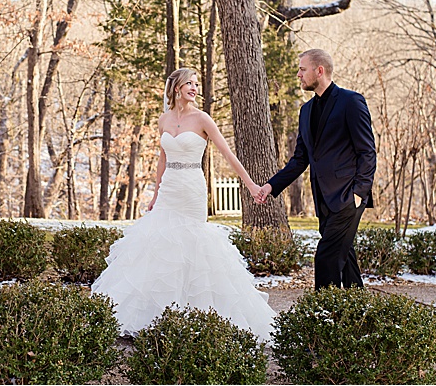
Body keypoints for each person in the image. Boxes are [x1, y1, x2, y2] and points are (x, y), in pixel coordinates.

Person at [91, 68, 276, 342]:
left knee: (191, 244)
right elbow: (162, 159)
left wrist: (250, 185)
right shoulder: (163, 119)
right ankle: (155, 315)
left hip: (192, 189)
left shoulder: (202, 119)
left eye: (196, 83)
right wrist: (155, 194)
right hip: (169, 189)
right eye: (189, 83)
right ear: (176, 87)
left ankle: (197, 315)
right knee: (159, 245)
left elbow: (228, 154)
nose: (194, 87)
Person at [257, 49, 376, 290]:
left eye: (302, 69)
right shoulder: (306, 111)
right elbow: (300, 159)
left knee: (326, 258)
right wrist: (271, 185)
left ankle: (322, 316)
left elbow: (367, 151)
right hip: (323, 199)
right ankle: (358, 310)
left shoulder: (351, 101)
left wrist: (358, 193)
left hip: (347, 197)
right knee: (346, 257)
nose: (298, 74)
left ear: (319, 71)